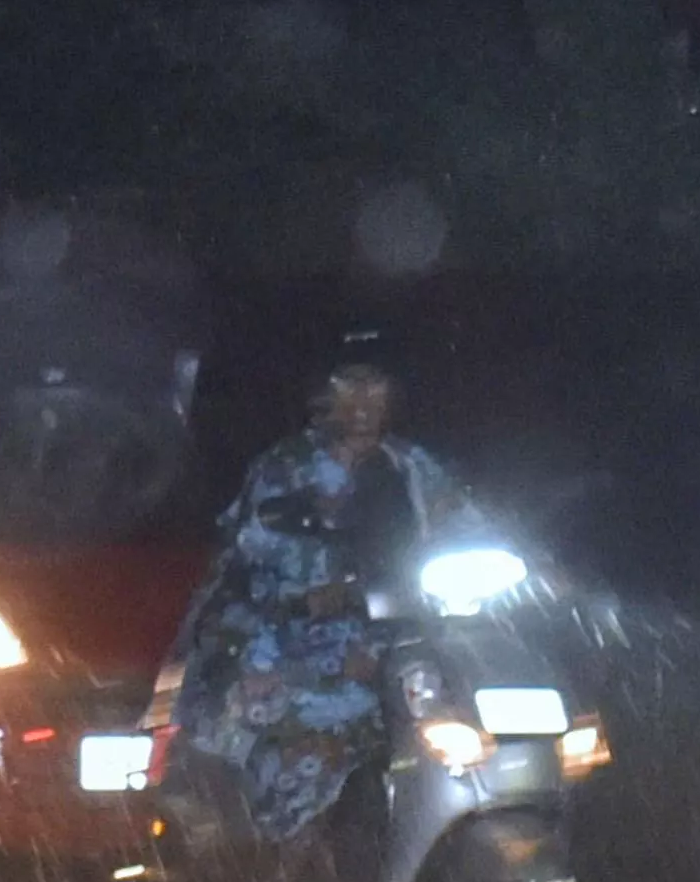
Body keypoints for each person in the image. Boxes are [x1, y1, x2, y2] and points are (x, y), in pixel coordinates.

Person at [163, 357, 472, 855]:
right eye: (349, 388)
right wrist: (270, 643)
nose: (364, 404)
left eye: (376, 388)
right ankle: (243, 865)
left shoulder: (411, 468)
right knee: (235, 738)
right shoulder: (284, 469)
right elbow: (245, 571)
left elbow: (466, 527)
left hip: (395, 649)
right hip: (289, 646)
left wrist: (540, 566)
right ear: (323, 396)